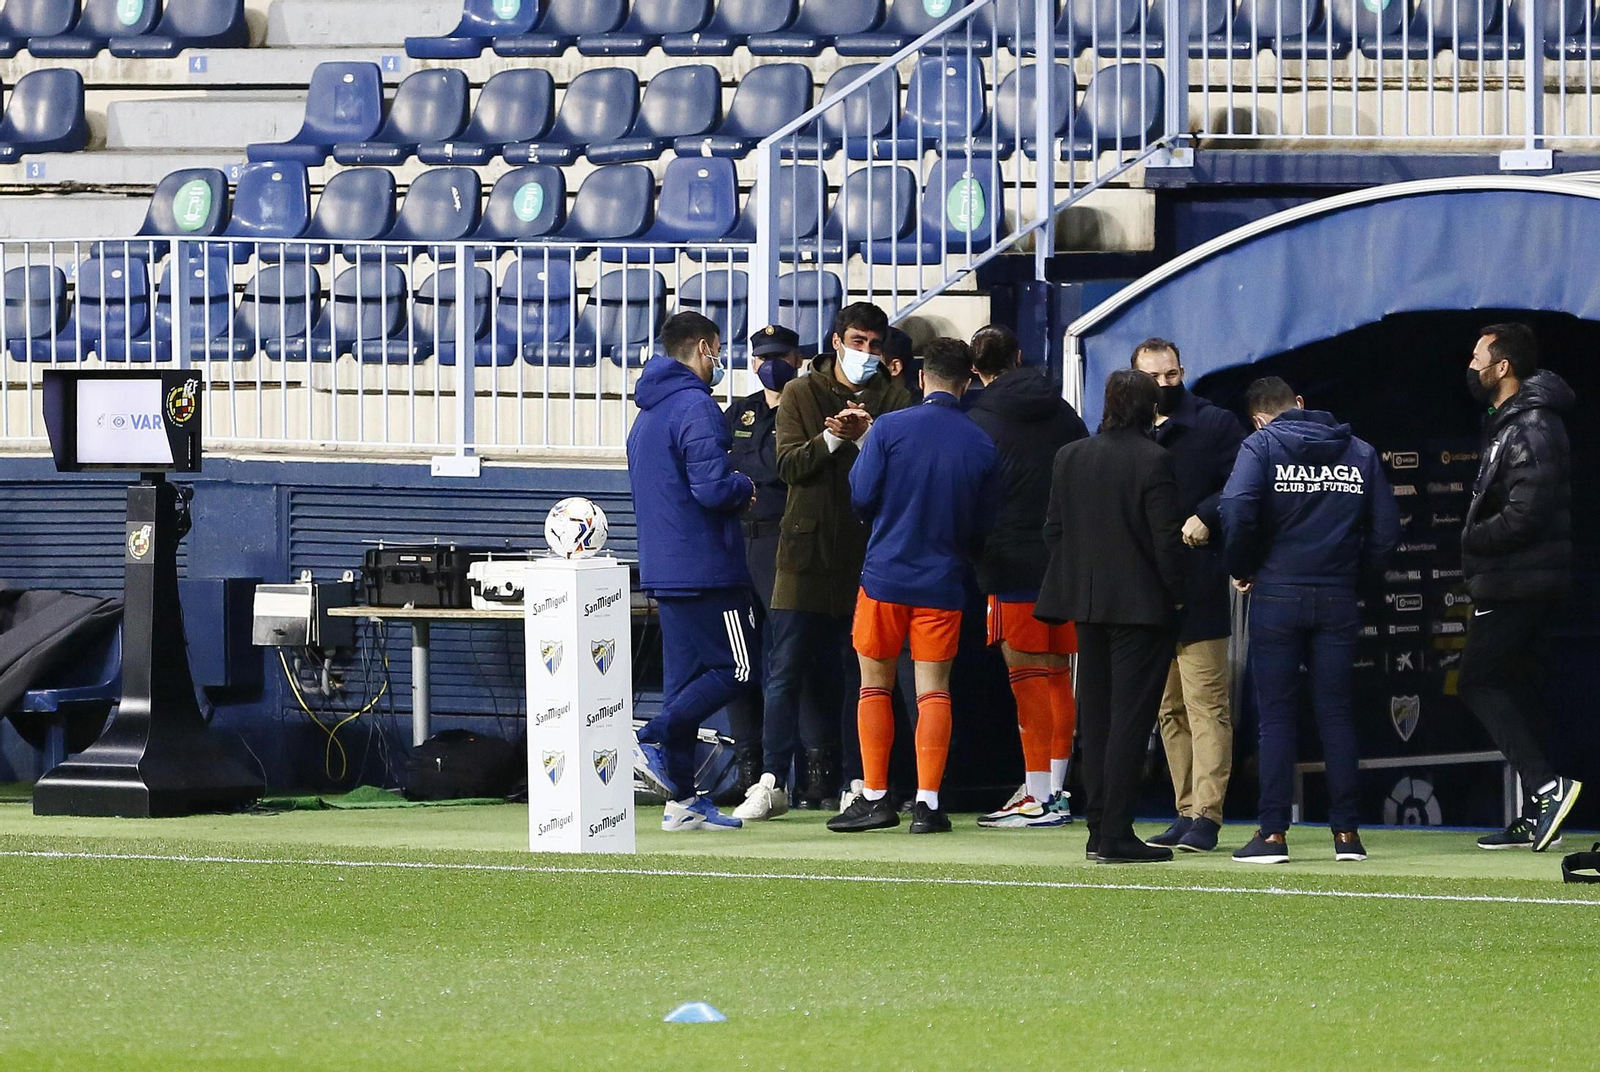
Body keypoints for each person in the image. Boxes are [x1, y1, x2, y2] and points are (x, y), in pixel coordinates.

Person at [1221, 376, 1399, 864]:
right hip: (1336, 595)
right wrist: (1354, 581)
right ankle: (1347, 836)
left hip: (1278, 593)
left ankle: (1273, 835)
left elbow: (1235, 508)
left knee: (1277, 717)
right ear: (1299, 404)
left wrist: (1242, 566)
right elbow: (1386, 532)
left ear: (1259, 417)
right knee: (1336, 714)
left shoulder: (1259, 446)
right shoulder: (1359, 451)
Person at [828, 337, 999, 835]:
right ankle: (927, 803)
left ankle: (876, 796)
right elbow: (983, 523)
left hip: (884, 576)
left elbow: (860, 495)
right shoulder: (981, 442)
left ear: (922, 377)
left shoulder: (890, 429)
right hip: (943, 581)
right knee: (934, 692)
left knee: (873, 686)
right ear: (967, 382)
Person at [757, 303, 913, 814]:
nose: (865, 353)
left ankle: (858, 780)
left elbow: (898, 474)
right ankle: (771, 779)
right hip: (802, 552)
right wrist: (830, 436)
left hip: (867, 554)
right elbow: (789, 466)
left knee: (862, 674)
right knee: (784, 671)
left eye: (874, 345)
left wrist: (866, 435)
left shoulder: (896, 399)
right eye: (857, 342)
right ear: (836, 340)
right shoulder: (802, 391)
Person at [1035, 370, 1186, 864]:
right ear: (1148, 408)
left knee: (1096, 720)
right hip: (1141, 608)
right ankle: (1117, 832)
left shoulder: (1070, 456)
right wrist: (1178, 595)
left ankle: (1099, 829)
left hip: (1085, 604)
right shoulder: (1154, 460)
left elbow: (1053, 531)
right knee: (1129, 720)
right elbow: (1166, 541)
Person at [627, 311, 760, 832]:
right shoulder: (698, 407)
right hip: (708, 566)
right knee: (740, 667)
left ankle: (682, 800)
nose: (720, 360)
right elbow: (710, 488)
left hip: (665, 567)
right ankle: (652, 734)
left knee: (684, 685)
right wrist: (745, 487)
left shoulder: (647, 413)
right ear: (705, 348)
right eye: (719, 350)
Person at [1457, 323, 1582, 852]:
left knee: (1478, 681)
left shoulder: (1531, 424)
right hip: (1519, 578)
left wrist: (1472, 537)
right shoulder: (1507, 421)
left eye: (1478, 356)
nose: (1471, 365)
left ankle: (1548, 787)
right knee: (1517, 687)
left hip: (1519, 580)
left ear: (1502, 367)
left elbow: (1528, 512)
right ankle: (1536, 810)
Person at [964, 324, 1089, 828]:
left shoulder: (977, 419)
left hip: (1009, 562)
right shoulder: (1064, 412)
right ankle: (1054, 791)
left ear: (977, 369)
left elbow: (971, 493)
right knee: (1057, 678)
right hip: (1064, 564)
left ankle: (1039, 794)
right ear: (1019, 355)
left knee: (1028, 681)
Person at [1131, 339, 1249, 854]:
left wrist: (1208, 511)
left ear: (1184, 371)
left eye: (1172, 375)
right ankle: (1184, 811)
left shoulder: (1216, 423)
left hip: (1199, 583)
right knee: (1169, 709)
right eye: (1153, 377)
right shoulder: (1127, 428)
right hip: (1146, 586)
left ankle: (1207, 814)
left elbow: (1246, 481)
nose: (1164, 385)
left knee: (1206, 705)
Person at [723, 325, 806, 819]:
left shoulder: (805, 405)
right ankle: (747, 770)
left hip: (784, 540)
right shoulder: (743, 410)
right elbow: (726, 461)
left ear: (796, 357)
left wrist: (752, 471)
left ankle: (804, 774)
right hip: (741, 542)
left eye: (779, 355)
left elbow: (778, 469)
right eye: (762, 356)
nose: (770, 363)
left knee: (788, 663)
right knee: (741, 665)